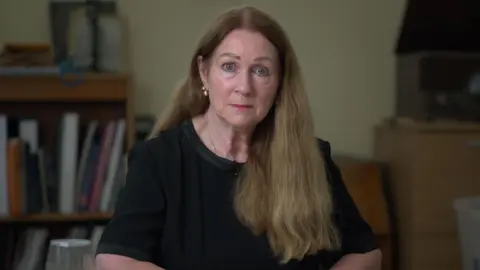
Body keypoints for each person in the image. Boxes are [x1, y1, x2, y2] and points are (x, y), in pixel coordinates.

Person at [95, 5, 382, 270]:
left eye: (260, 70)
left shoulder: (311, 159)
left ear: (280, 82)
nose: (244, 87)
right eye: (229, 67)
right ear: (204, 72)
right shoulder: (159, 160)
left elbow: (367, 254)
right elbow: (116, 260)